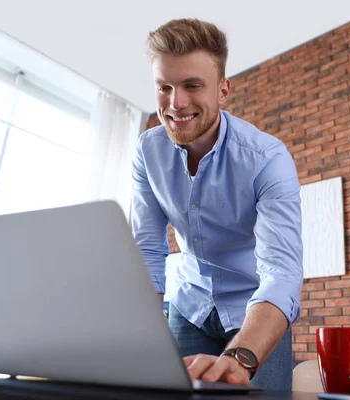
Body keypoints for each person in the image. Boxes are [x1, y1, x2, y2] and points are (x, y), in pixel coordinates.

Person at [131, 18, 303, 391]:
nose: (176, 103)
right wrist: (139, 337)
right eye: (164, 87)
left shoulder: (267, 158)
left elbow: (282, 273)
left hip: (253, 311)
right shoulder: (147, 151)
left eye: (193, 85)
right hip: (188, 304)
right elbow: (148, 248)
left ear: (223, 91)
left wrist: (239, 356)